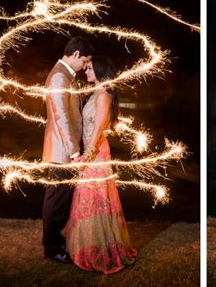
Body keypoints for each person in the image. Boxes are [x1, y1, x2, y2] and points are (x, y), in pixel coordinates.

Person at [63, 56, 137, 274]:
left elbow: (97, 131)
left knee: (96, 200)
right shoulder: (96, 92)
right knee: (88, 200)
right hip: (91, 151)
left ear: (100, 71)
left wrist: (86, 156)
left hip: (96, 153)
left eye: (89, 69)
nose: (86, 71)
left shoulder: (103, 94)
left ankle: (102, 251)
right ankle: (87, 246)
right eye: (86, 68)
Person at [42, 36, 94, 263]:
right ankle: (52, 249)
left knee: (61, 200)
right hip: (62, 152)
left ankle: (53, 239)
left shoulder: (64, 76)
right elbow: (61, 117)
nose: (84, 67)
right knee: (56, 201)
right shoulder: (59, 78)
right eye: (84, 61)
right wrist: (74, 152)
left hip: (65, 150)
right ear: (75, 55)